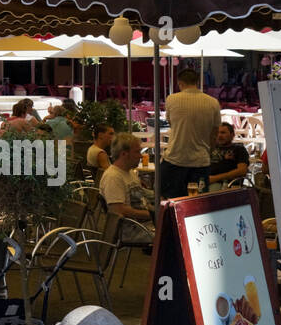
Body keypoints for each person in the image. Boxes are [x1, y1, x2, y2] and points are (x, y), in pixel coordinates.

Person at [160, 69, 221, 199]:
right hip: (200, 161)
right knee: (198, 203)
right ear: (197, 82)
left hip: (175, 158)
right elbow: (214, 133)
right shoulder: (213, 102)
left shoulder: (172, 99)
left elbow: (171, 123)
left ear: (180, 83)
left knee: (172, 201)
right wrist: (209, 152)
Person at [100, 133, 154, 235]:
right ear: (124, 154)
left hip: (143, 224)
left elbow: (143, 194)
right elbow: (118, 210)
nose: (141, 155)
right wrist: (152, 215)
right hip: (131, 230)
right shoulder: (113, 177)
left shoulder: (129, 172)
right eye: (137, 152)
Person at [207, 123, 250, 187]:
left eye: (223, 133)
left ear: (232, 135)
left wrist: (215, 178)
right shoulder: (211, 148)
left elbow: (242, 170)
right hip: (205, 181)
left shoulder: (238, 149)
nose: (219, 135)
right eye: (218, 133)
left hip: (224, 184)